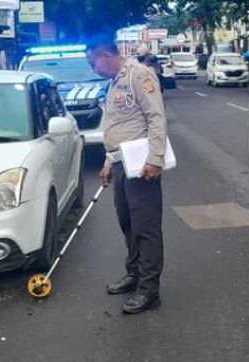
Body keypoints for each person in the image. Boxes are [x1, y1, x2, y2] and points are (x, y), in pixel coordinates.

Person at [86, 37, 167, 315]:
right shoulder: (115, 81)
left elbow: (156, 117)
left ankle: (149, 289)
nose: (92, 69)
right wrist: (109, 161)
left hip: (142, 165)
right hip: (122, 163)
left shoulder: (140, 75)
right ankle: (134, 274)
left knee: (146, 227)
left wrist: (155, 159)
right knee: (128, 223)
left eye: (93, 62)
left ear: (106, 55)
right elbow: (119, 125)